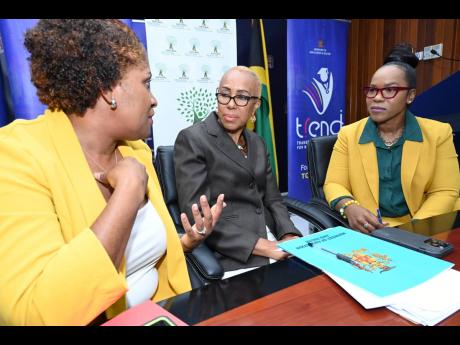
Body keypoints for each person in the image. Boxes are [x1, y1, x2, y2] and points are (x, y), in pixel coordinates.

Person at [0, 19, 225, 326]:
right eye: (146, 83)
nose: (154, 98)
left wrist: (186, 242)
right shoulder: (17, 154)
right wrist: (129, 193)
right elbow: (36, 314)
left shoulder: (137, 151)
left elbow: (145, 256)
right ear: (108, 91)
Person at [174, 66, 302, 279]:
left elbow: (273, 198)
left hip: (273, 237)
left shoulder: (258, 142)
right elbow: (200, 217)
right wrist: (266, 246)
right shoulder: (193, 139)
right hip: (233, 252)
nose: (231, 104)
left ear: (256, 106)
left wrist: (288, 234)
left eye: (242, 97)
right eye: (225, 94)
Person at [324, 43, 460, 234]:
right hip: (371, 230)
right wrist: (349, 206)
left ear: (410, 96)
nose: (377, 98)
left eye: (389, 90)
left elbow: (445, 191)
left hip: (423, 227)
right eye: (372, 90)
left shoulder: (439, 134)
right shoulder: (349, 134)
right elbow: (333, 183)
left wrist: (413, 230)